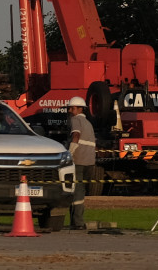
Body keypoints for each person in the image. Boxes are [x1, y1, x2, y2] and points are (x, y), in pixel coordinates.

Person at [66, 97, 97, 229]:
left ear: (80, 109)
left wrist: (70, 152)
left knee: (76, 191)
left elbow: (76, 136)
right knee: (81, 190)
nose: (70, 111)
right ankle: (76, 221)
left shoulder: (76, 120)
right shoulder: (88, 123)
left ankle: (77, 222)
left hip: (78, 160)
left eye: (72, 108)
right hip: (89, 162)